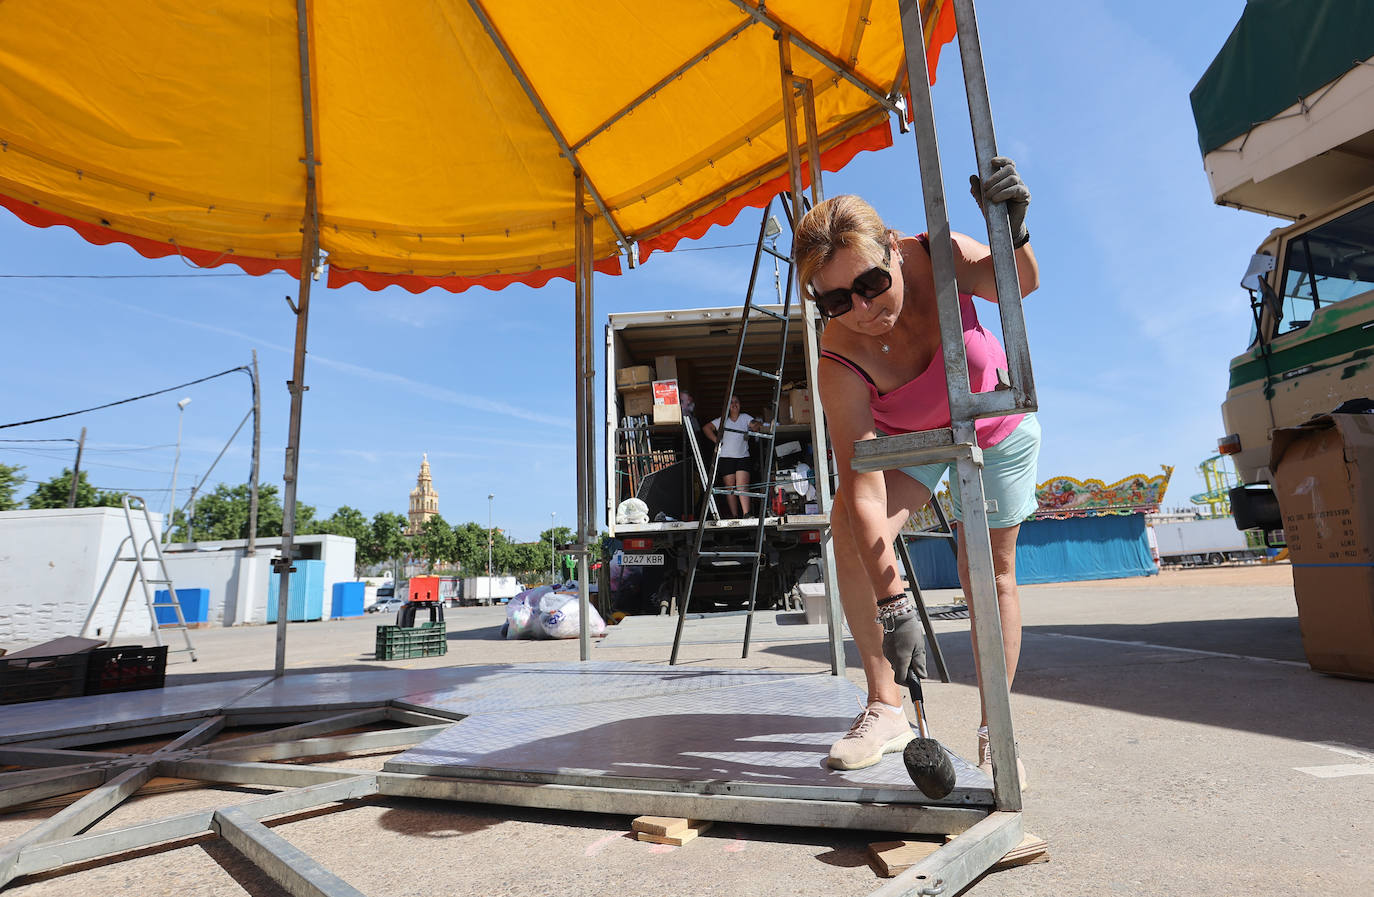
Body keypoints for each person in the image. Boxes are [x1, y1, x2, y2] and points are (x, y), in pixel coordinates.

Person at [792, 157, 1041, 785]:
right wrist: (893, 598)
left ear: (894, 250)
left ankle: (996, 723)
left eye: (872, 283)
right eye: (836, 300)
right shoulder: (838, 358)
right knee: (848, 526)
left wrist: (1013, 231)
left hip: (994, 422)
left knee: (989, 571)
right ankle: (885, 706)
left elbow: (1021, 283)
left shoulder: (936, 252)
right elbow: (863, 481)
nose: (861, 309)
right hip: (914, 440)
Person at [702, 395, 762, 518]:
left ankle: (746, 514)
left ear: (740, 405)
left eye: (736, 402)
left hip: (742, 457)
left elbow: (755, 425)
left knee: (742, 486)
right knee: (730, 488)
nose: (734, 404)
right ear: (728, 406)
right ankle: (734, 515)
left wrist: (756, 425)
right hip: (726, 457)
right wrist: (716, 440)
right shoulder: (723, 420)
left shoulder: (745, 417)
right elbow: (706, 428)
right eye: (731, 402)